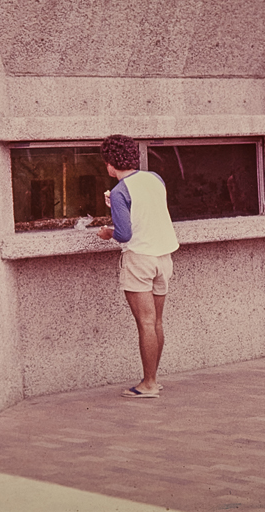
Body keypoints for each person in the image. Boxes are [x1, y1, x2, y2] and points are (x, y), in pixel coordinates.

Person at [97, 134, 180, 398]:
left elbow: (123, 234)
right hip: (163, 259)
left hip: (139, 259)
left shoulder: (120, 191)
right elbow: (149, 211)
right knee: (156, 322)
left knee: (144, 323)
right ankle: (154, 378)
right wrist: (119, 208)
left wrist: (107, 232)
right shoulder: (155, 179)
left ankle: (148, 384)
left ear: (110, 165)